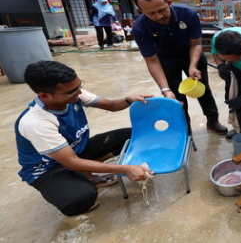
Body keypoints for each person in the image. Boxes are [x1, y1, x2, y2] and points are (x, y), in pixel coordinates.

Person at [15, 60, 154, 216]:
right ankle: (80, 178)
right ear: (44, 96)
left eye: (79, 87)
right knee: (80, 200)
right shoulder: (35, 122)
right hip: (48, 168)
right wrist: (124, 168)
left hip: (75, 151)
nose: (79, 93)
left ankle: (85, 174)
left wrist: (129, 99)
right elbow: (71, 162)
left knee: (132, 136)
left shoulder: (74, 95)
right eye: (73, 92)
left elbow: (110, 105)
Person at [131, 0, 228, 135]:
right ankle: (185, 127)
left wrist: (193, 65)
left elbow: (196, 44)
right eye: (151, 13)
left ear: (168, 2)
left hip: (191, 55)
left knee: (202, 89)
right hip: (166, 61)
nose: (158, 16)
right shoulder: (139, 28)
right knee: (175, 95)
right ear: (140, 11)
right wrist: (165, 90)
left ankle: (212, 120)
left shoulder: (187, 14)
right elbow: (152, 60)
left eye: (162, 10)